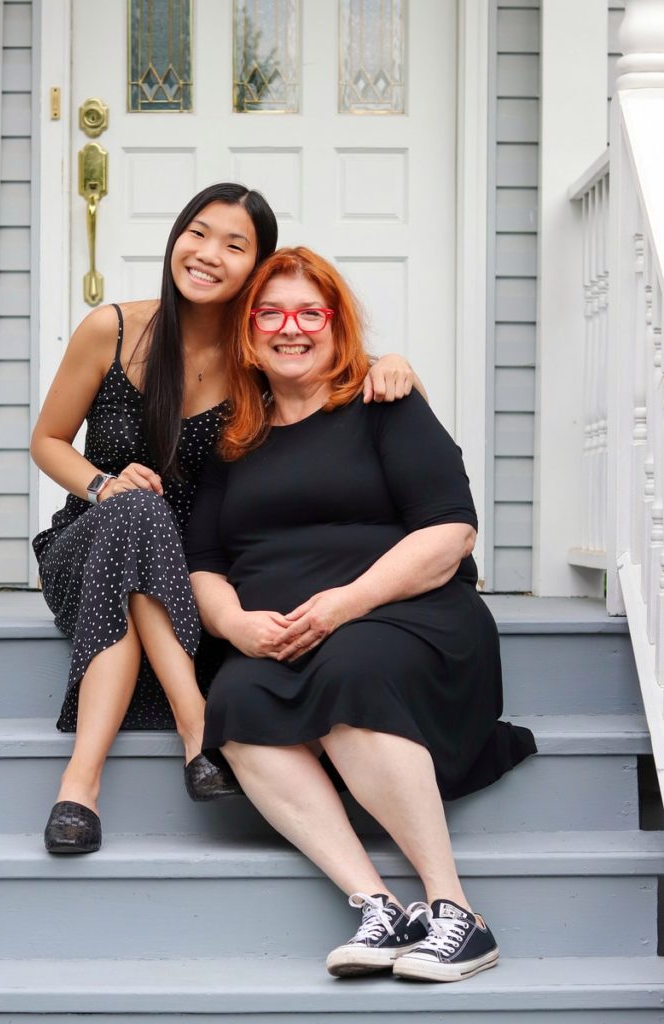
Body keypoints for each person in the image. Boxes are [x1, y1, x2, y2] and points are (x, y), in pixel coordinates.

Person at [30, 184, 423, 854]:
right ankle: (182, 736)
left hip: (199, 580)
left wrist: (389, 364)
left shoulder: (258, 359)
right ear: (176, 238)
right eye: (197, 233)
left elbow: (331, 374)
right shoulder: (112, 329)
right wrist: (102, 484)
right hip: (90, 547)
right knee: (135, 510)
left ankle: (78, 793)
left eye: (234, 245)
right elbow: (47, 441)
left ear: (256, 267)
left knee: (147, 523)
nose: (207, 254)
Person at [185, 247, 537, 983]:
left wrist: (349, 602)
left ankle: (455, 913)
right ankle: (380, 907)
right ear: (247, 329)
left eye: (309, 312)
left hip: (409, 617)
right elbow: (206, 564)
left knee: (348, 668)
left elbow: (450, 532)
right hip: (283, 639)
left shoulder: (384, 404)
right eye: (270, 313)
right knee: (237, 700)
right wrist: (232, 625)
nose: (291, 329)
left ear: (336, 325)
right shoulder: (229, 436)